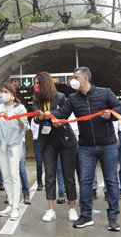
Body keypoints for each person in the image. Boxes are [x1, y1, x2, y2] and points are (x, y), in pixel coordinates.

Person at [47, 67, 121, 231]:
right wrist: (50, 115)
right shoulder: (73, 98)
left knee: (111, 180)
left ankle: (113, 218)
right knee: (85, 181)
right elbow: (62, 112)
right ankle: (86, 215)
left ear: (85, 78)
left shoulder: (105, 93)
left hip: (107, 145)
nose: (72, 81)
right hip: (85, 146)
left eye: (75, 77)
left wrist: (111, 113)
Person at [33, 72, 79, 223]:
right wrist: (40, 117)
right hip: (47, 140)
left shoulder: (60, 96)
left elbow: (65, 114)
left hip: (64, 139)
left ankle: (72, 207)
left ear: (45, 83)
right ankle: (50, 209)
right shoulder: (37, 100)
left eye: (37, 82)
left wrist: (59, 120)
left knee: (68, 175)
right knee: (50, 175)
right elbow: (34, 118)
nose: (35, 85)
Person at [0, 83, 28, 220]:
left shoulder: (20, 108)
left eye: (6, 92)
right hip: (0, 143)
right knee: (5, 174)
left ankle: (16, 207)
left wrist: (19, 119)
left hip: (14, 143)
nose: (3, 94)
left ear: (12, 94)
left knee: (14, 173)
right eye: (2, 92)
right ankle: (11, 203)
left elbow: (26, 127)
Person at [30, 118, 43, 191]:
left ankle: (48, 182)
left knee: (48, 163)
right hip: (37, 141)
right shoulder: (33, 119)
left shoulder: (45, 117)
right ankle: (39, 183)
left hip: (46, 141)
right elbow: (33, 131)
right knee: (39, 164)